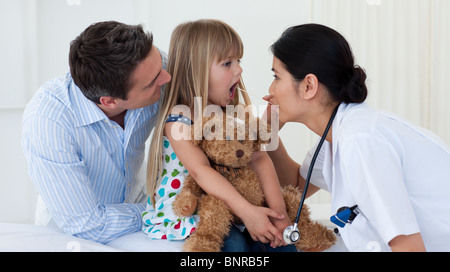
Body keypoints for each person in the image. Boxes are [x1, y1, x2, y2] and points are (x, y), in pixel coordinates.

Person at [263, 24, 450, 252]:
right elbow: (294, 185)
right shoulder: (337, 136)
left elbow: (408, 247)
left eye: (276, 77)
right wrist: (266, 134)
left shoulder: (361, 140)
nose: (270, 89)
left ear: (309, 85)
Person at [143, 19, 296, 252]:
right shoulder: (179, 119)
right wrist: (246, 212)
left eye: (239, 60)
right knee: (232, 244)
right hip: (195, 208)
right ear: (197, 69)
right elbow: (200, 170)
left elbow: (259, 159)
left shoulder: (233, 115)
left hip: (234, 207)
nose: (239, 69)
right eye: (227, 63)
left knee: (280, 242)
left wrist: (279, 214)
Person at [22, 21, 171, 244]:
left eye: (160, 65)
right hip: (71, 236)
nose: (167, 78)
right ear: (110, 101)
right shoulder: (49, 121)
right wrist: (165, 207)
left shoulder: (151, 69)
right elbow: (86, 225)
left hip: (139, 215)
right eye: (154, 82)